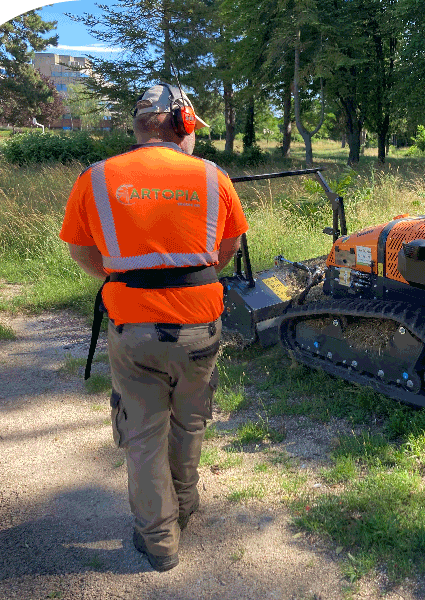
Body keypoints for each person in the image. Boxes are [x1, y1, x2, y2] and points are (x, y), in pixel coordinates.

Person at [59, 82, 248, 572]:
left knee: (143, 432)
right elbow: (227, 249)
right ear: (182, 122)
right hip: (200, 328)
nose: (196, 138)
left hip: (133, 328)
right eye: (194, 129)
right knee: (189, 421)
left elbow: (82, 250)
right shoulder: (213, 177)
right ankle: (185, 508)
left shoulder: (97, 177)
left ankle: (160, 541)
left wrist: (127, 278)